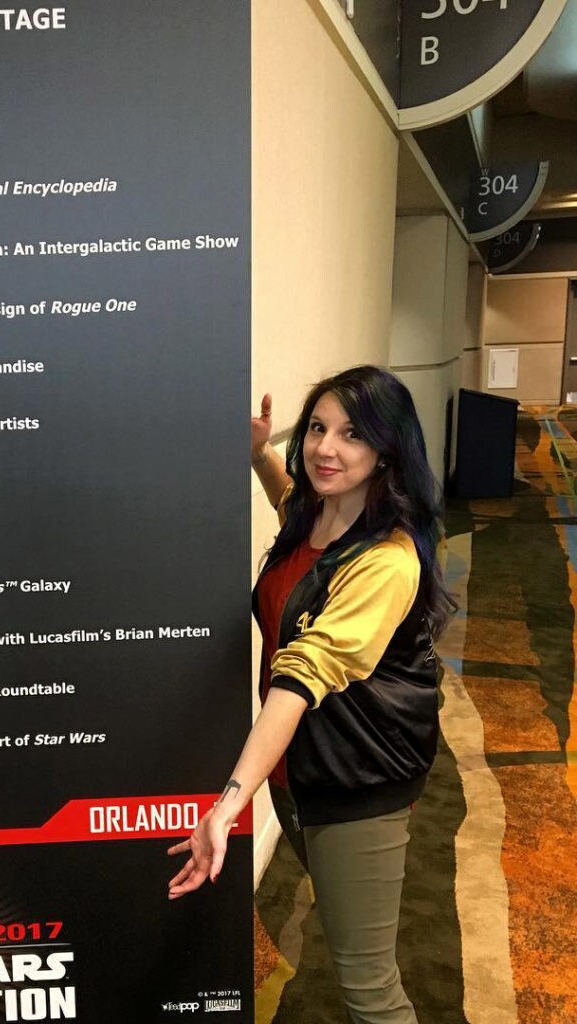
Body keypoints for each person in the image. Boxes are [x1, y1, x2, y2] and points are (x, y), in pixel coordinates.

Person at [167, 365, 455, 1024]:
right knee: (345, 929)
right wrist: (261, 455)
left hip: (358, 785)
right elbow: (292, 506)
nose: (326, 447)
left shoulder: (386, 560)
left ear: (387, 449)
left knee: (368, 986)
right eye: (319, 428)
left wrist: (228, 800)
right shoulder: (318, 514)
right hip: (302, 773)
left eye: (352, 434)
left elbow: (300, 676)